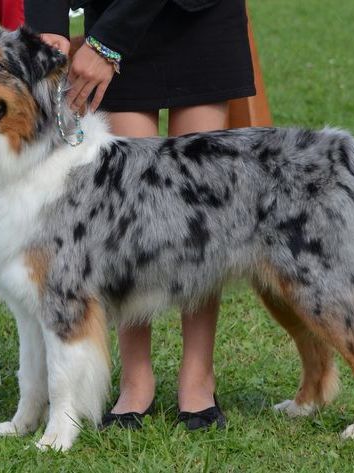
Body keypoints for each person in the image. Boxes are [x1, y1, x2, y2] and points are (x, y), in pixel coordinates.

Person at [25, 0, 255, 430]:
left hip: (198, 17)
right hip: (111, 16)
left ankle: (198, 378)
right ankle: (135, 380)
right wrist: (48, 30)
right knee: (125, 214)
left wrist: (107, 45)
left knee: (198, 213)